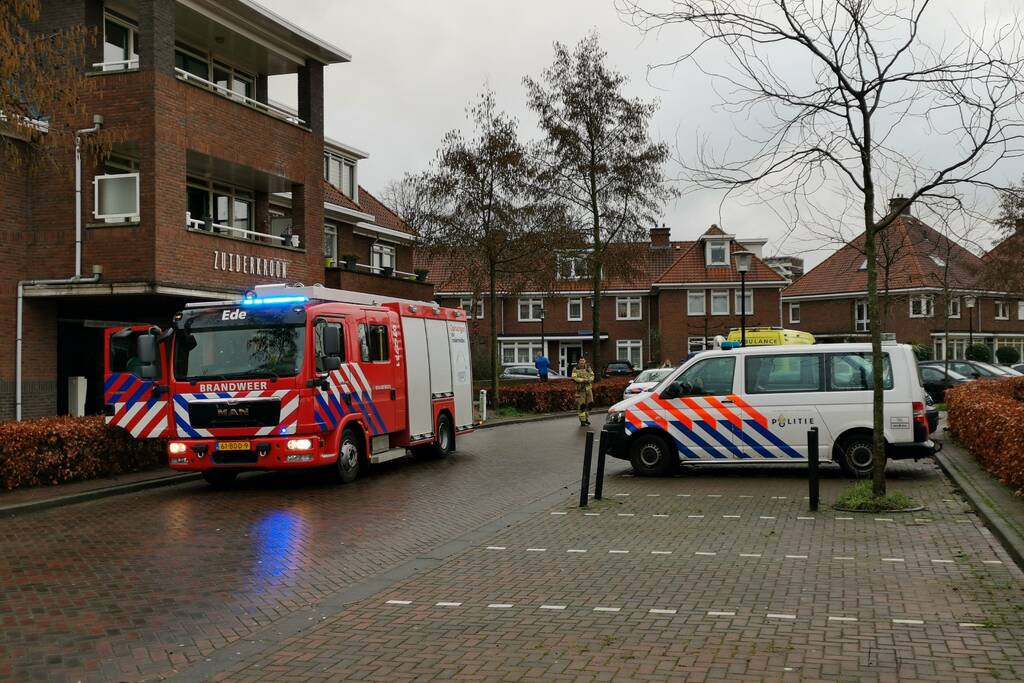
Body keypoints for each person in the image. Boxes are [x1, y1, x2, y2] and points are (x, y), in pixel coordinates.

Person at [571, 357, 595, 426]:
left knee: (590, 404)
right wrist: (583, 380)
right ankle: (582, 421)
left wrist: (590, 379)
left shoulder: (588, 367)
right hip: (580, 390)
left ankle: (586, 418)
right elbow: (574, 378)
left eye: (583, 361)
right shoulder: (575, 368)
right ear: (579, 362)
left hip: (588, 388)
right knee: (582, 405)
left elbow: (592, 375)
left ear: (585, 361)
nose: (582, 362)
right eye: (580, 361)